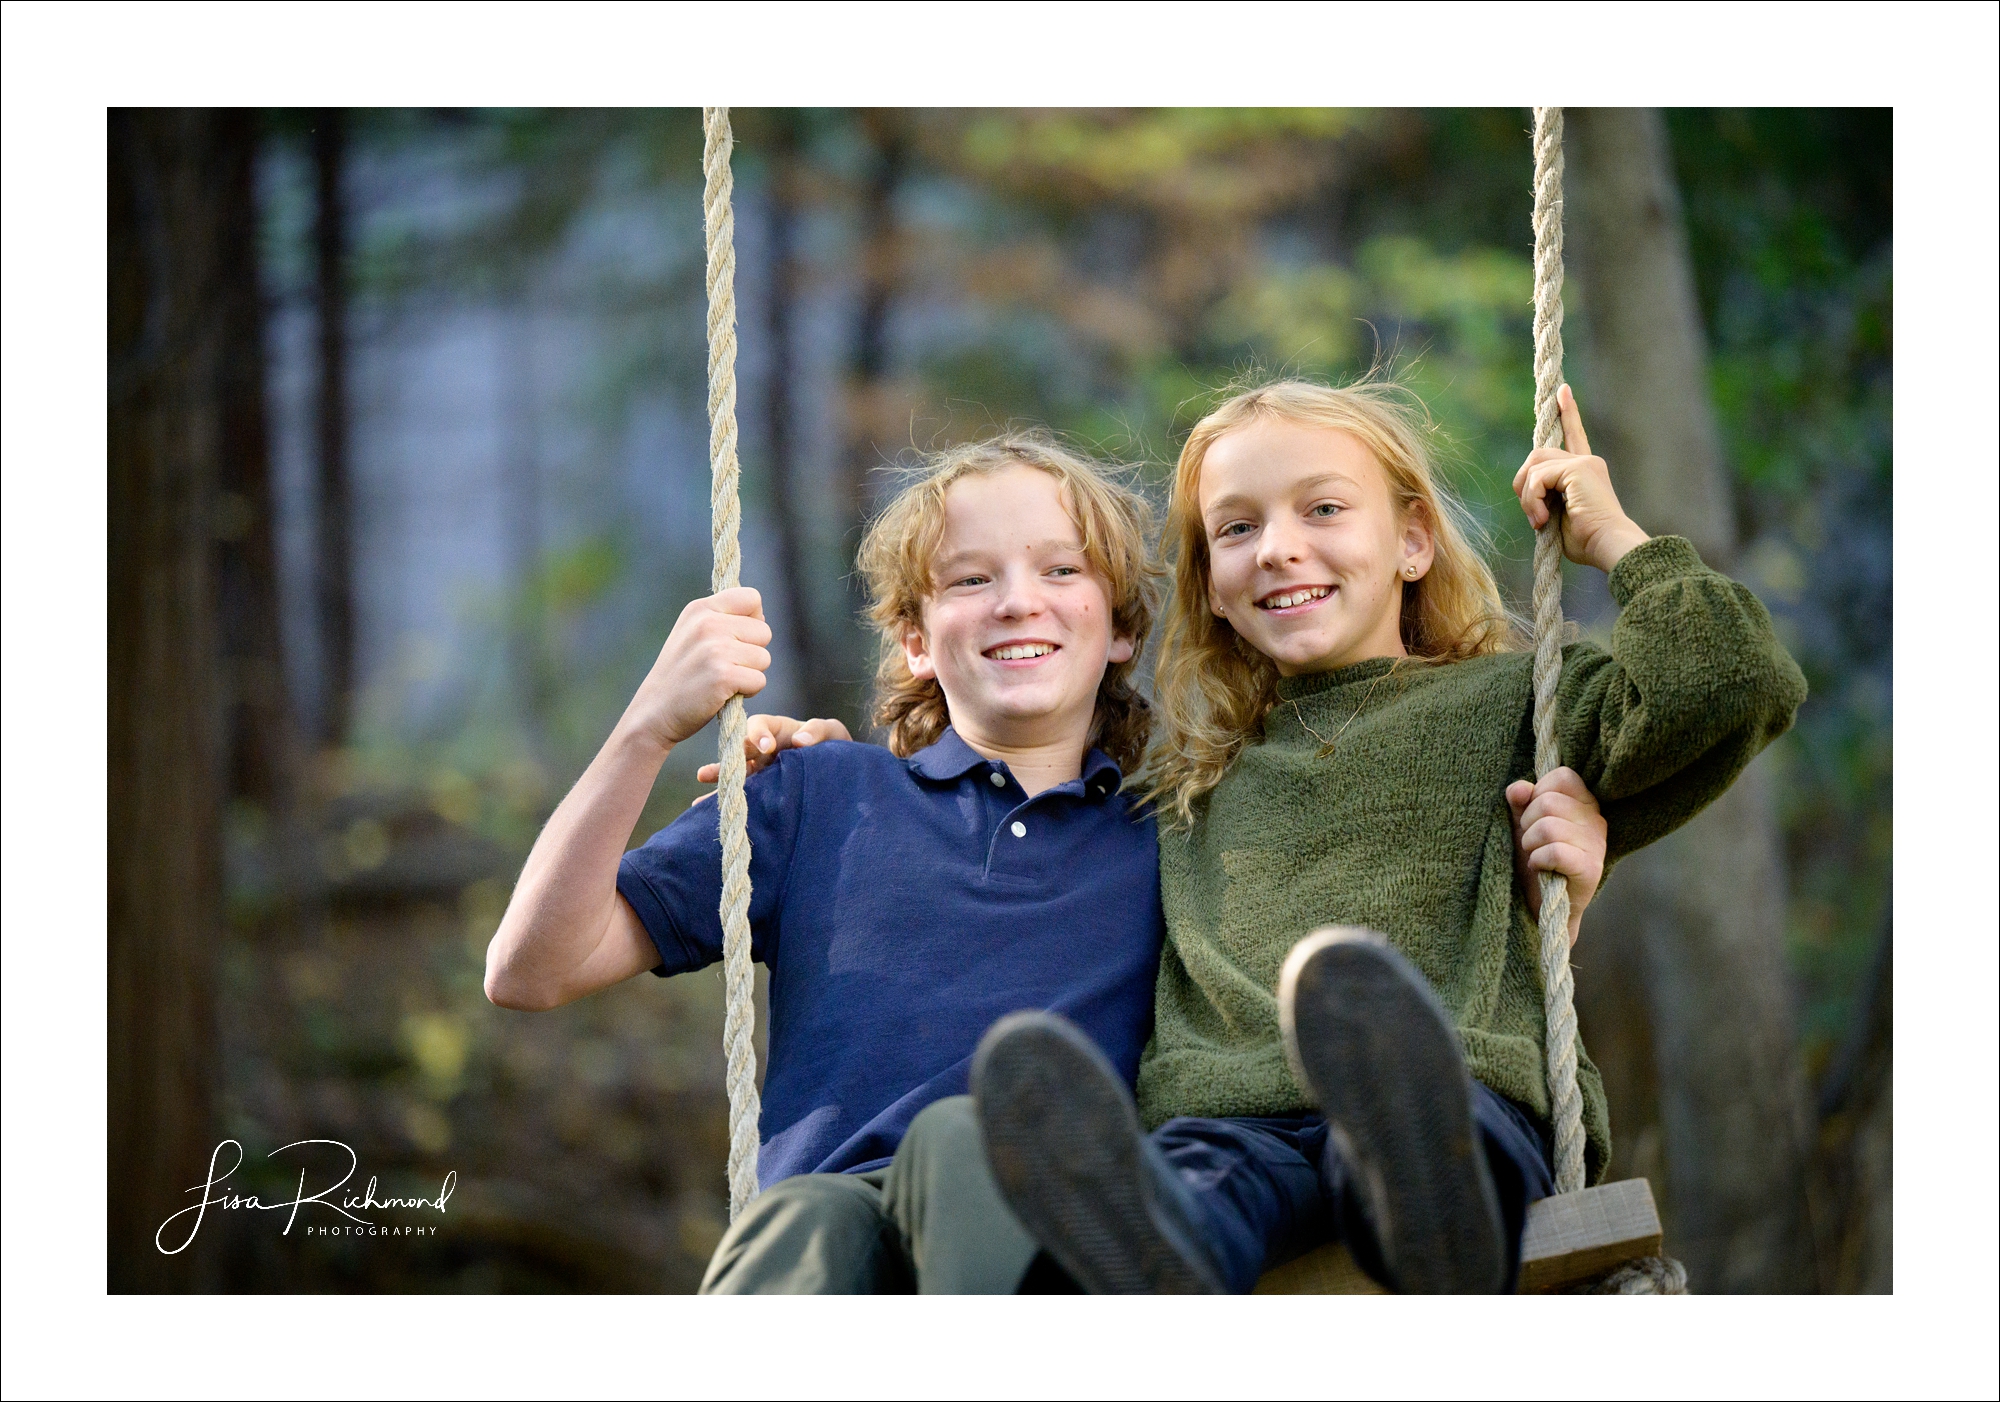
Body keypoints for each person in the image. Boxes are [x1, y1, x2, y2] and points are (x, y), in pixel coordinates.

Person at [484, 429, 1610, 1293]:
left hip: (1042, 1229)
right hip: (835, 1242)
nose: (1017, 600)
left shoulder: (1187, 821)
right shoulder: (817, 794)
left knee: (960, 1137)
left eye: (1059, 571)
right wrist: (644, 728)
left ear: (1120, 626)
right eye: (970, 579)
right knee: (803, 1218)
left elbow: (1368, 906)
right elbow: (532, 968)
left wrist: (1545, 894)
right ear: (916, 640)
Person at [972, 379, 1807, 1294]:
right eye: (1237, 529)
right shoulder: (1190, 783)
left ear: (1413, 539)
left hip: (1453, 1095)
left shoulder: (1512, 707)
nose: (1280, 550)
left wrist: (1613, 540)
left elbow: (1732, 680)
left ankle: (1431, 1219)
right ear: (1210, 583)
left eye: (1323, 509)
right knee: (1194, 1184)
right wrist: (797, 754)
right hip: (1233, 1123)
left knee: (1423, 1127)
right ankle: (1140, 1245)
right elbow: (1002, 811)